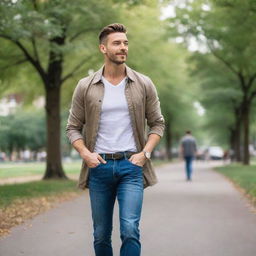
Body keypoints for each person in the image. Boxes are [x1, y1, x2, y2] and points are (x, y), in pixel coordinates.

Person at [66, 23, 165, 256]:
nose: (123, 48)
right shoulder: (85, 86)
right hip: (98, 167)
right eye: (117, 43)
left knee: (130, 229)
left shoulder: (143, 83)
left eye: (125, 43)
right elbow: (72, 127)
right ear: (103, 48)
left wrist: (145, 153)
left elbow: (157, 123)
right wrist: (85, 154)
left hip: (131, 167)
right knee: (101, 234)